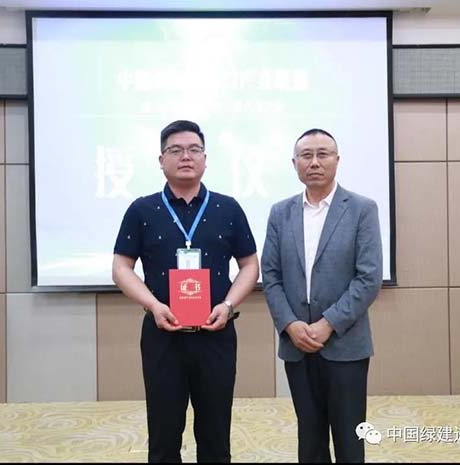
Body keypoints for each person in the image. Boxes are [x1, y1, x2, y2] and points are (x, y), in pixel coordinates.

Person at [112, 120, 259, 463]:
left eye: (194, 149)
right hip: (163, 335)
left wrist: (228, 304)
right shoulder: (142, 210)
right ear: (161, 160)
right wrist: (153, 304)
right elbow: (121, 268)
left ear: (205, 158)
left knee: (215, 436)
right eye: (175, 150)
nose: (186, 156)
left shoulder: (228, 208)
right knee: (164, 436)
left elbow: (250, 265)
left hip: (216, 334)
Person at [261, 128, 383, 463]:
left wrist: (328, 323)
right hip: (297, 345)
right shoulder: (280, 212)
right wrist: (290, 325)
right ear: (295, 163)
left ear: (337, 160)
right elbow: (270, 276)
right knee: (310, 440)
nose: (314, 162)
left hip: (345, 344)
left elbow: (369, 278)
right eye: (306, 155)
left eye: (323, 154)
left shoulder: (361, 209)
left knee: (349, 440)